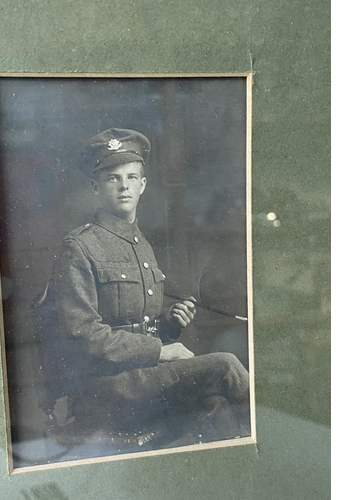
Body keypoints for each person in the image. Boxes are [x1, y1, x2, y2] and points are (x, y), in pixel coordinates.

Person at [53, 128, 250, 443]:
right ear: (95, 187)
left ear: (143, 185)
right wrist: (160, 350)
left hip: (143, 379)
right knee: (225, 366)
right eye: (112, 178)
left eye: (131, 178)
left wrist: (169, 323)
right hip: (106, 388)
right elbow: (82, 334)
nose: (123, 187)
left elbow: (135, 323)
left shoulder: (141, 244)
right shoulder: (79, 246)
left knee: (216, 405)